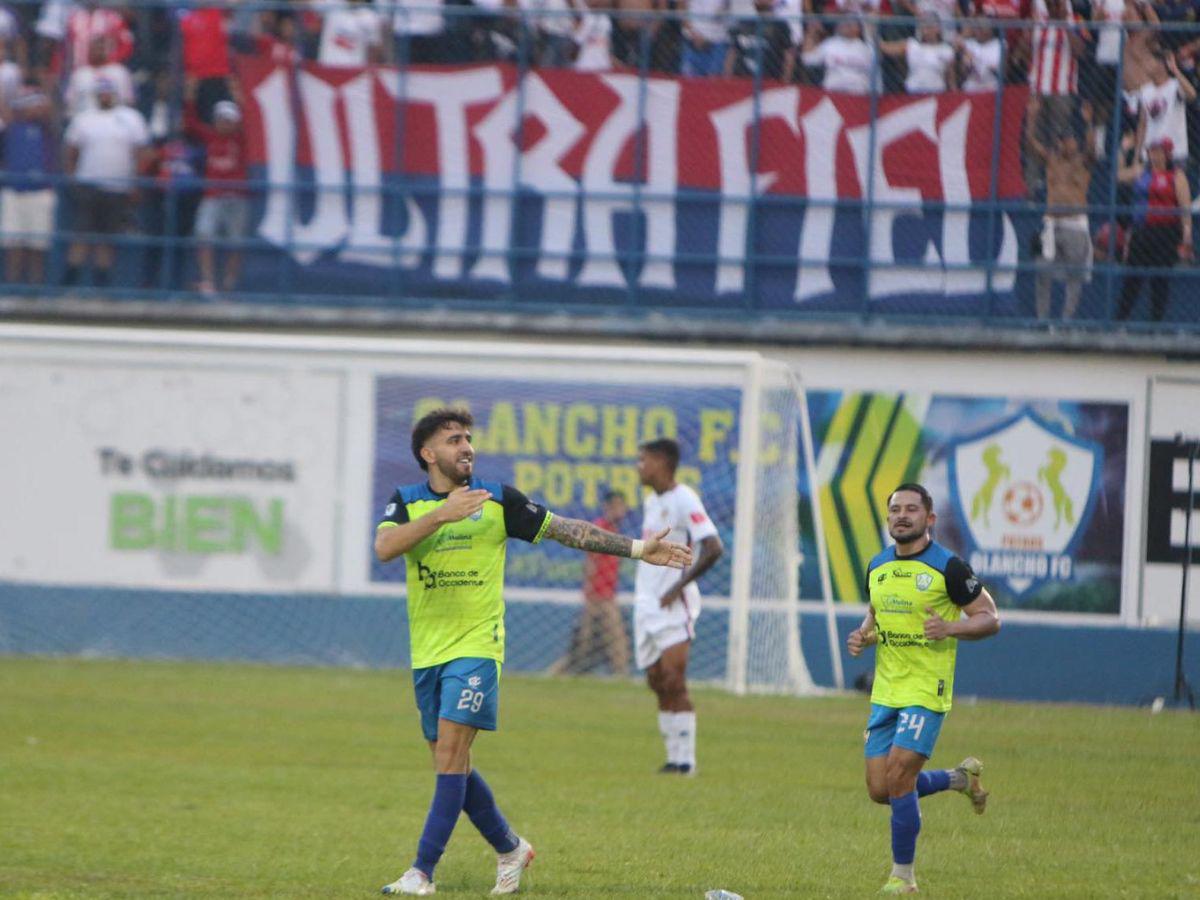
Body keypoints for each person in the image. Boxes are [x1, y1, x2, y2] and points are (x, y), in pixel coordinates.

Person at [375, 408, 692, 896]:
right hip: (428, 652)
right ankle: (510, 848)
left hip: (478, 647)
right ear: (427, 453)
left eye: (468, 438)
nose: (466, 446)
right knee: (449, 761)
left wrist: (636, 548)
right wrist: (442, 514)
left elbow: (567, 529)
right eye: (453, 439)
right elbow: (384, 548)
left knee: (451, 755)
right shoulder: (407, 503)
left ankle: (422, 872)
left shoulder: (498, 501)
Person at [846, 483, 1000, 896]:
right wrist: (864, 635)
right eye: (895, 509)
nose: (902, 515)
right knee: (882, 790)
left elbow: (989, 617)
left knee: (899, 775)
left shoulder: (949, 567)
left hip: (926, 690)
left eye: (911, 509)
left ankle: (903, 877)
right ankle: (959, 780)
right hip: (886, 691)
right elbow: (879, 612)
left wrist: (951, 627)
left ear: (929, 519)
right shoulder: (878, 566)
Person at [634, 438, 724, 776]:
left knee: (674, 678)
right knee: (656, 679)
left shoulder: (685, 498)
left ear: (661, 461)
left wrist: (678, 587)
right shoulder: (651, 501)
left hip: (674, 604)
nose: (638, 467)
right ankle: (673, 759)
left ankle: (686, 762)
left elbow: (714, 547)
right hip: (646, 602)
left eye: (643, 460)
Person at [62, 76, 150, 287]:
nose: (105, 95)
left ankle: (102, 281)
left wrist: (135, 182)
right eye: (101, 92)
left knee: (107, 237)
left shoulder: (131, 118)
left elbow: (141, 153)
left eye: (108, 91)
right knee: (82, 233)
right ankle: (70, 280)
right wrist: (72, 178)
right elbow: (71, 151)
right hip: (89, 185)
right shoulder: (84, 118)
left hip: (118, 187)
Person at [551, 489, 631, 675]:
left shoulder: (616, 531)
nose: (620, 510)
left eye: (622, 506)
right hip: (598, 598)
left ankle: (621, 676)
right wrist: (590, 595)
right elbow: (590, 564)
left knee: (608, 644)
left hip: (607, 596)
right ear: (607, 507)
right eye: (616, 506)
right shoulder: (599, 529)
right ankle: (554, 675)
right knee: (588, 647)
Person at [1026, 115, 1099, 319]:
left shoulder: (1083, 161)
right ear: (1059, 142)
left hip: (1075, 225)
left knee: (1074, 278)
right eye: (1065, 140)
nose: (1069, 143)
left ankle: (1066, 322)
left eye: (1071, 140)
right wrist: (1033, 117)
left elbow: (1092, 150)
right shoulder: (1052, 159)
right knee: (1042, 272)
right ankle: (1043, 320)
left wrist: (1088, 123)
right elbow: (1030, 144)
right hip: (1052, 224)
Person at [1115, 136, 1193, 321]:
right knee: (1132, 279)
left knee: (1160, 281)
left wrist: (1187, 234)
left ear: (1167, 154)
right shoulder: (1143, 171)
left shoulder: (1177, 175)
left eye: (1158, 151)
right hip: (1141, 232)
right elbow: (1120, 176)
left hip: (1165, 233)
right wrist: (1123, 150)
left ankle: (1155, 325)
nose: (1154, 155)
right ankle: (1119, 322)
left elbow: (1185, 206)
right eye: (1151, 151)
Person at [185, 94, 248, 296]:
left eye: (228, 119)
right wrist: (190, 95)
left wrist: (238, 91)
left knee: (236, 242)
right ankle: (208, 281)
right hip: (213, 195)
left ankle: (229, 282)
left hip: (237, 196)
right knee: (204, 235)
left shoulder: (242, 140)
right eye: (221, 119)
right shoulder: (210, 136)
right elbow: (190, 122)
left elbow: (252, 119)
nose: (224, 123)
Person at [1, 84, 57, 286]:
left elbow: (53, 113)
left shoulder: (47, 129)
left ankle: (36, 289)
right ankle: (12, 286)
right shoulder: (11, 128)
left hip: (40, 192)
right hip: (14, 191)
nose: (36, 109)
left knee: (37, 246)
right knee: (13, 244)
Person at [1135, 51, 1195, 167]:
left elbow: (1191, 94)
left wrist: (1175, 71)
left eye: (1149, 61)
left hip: (1175, 153)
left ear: (1161, 65)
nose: (1145, 64)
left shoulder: (1175, 86)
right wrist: (1137, 156)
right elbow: (1142, 124)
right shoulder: (1145, 91)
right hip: (1152, 154)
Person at [879, 15, 957, 94]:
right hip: (913, 92)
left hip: (936, 92)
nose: (925, 31)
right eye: (923, 27)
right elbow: (889, 49)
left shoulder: (946, 49)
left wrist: (953, 94)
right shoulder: (912, 45)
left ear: (937, 29)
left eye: (929, 27)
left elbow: (950, 77)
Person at [801, 16, 875, 95]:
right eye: (844, 23)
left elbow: (874, 68)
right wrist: (811, 33)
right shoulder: (830, 44)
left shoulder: (866, 47)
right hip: (833, 91)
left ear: (859, 29)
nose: (846, 25)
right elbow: (807, 59)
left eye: (851, 24)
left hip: (858, 93)